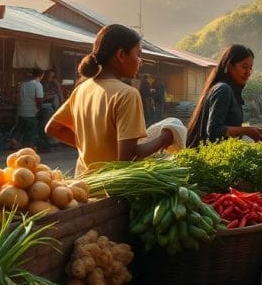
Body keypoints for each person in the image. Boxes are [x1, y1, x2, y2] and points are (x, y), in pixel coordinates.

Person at [45, 24, 176, 175]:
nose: (141, 61)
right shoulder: (127, 94)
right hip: (110, 191)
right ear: (121, 55)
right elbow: (129, 157)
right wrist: (165, 138)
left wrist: (89, 147)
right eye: (138, 54)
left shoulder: (82, 89)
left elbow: (53, 128)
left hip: (82, 185)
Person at [186, 44, 262, 146]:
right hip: (211, 159)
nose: (248, 72)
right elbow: (214, 131)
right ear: (230, 66)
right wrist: (245, 130)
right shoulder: (223, 89)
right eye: (244, 67)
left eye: (250, 68)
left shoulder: (231, 91)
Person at [14, 69, 45, 150]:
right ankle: (29, 147)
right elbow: (39, 100)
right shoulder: (37, 85)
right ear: (42, 75)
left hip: (21, 111)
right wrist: (39, 109)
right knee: (32, 132)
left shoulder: (22, 84)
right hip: (31, 112)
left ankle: (15, 141)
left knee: (20, 128)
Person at [39, 69, 63, 150]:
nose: (50, 78)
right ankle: (50, 141)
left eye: (52, 76)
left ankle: (54, 141)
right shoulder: (41, 83)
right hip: (45, 104)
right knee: (47, 121)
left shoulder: (55, 82)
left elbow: (59, 93)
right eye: (49, 76)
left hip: (53, 103)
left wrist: (61, 103)